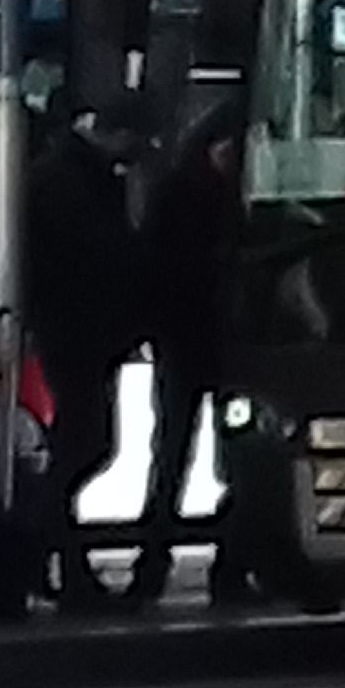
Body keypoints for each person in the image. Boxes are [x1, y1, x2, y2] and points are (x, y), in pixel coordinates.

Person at [25, 112, 146, 611]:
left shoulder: (69, 174)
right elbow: (101, 256)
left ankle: (53, 554)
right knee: (86, 443)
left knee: (83, 443)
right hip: (80, 333)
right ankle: (46, 545)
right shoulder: (71, 182)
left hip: (77, 332)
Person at [128, 97, 244, 608]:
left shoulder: (173, 191)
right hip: (221, 343)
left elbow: (153, 269)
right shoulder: (230, 200)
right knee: (231, 457)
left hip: (182, 342)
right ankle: (229, 568)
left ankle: (153, 565)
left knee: (171, 455)